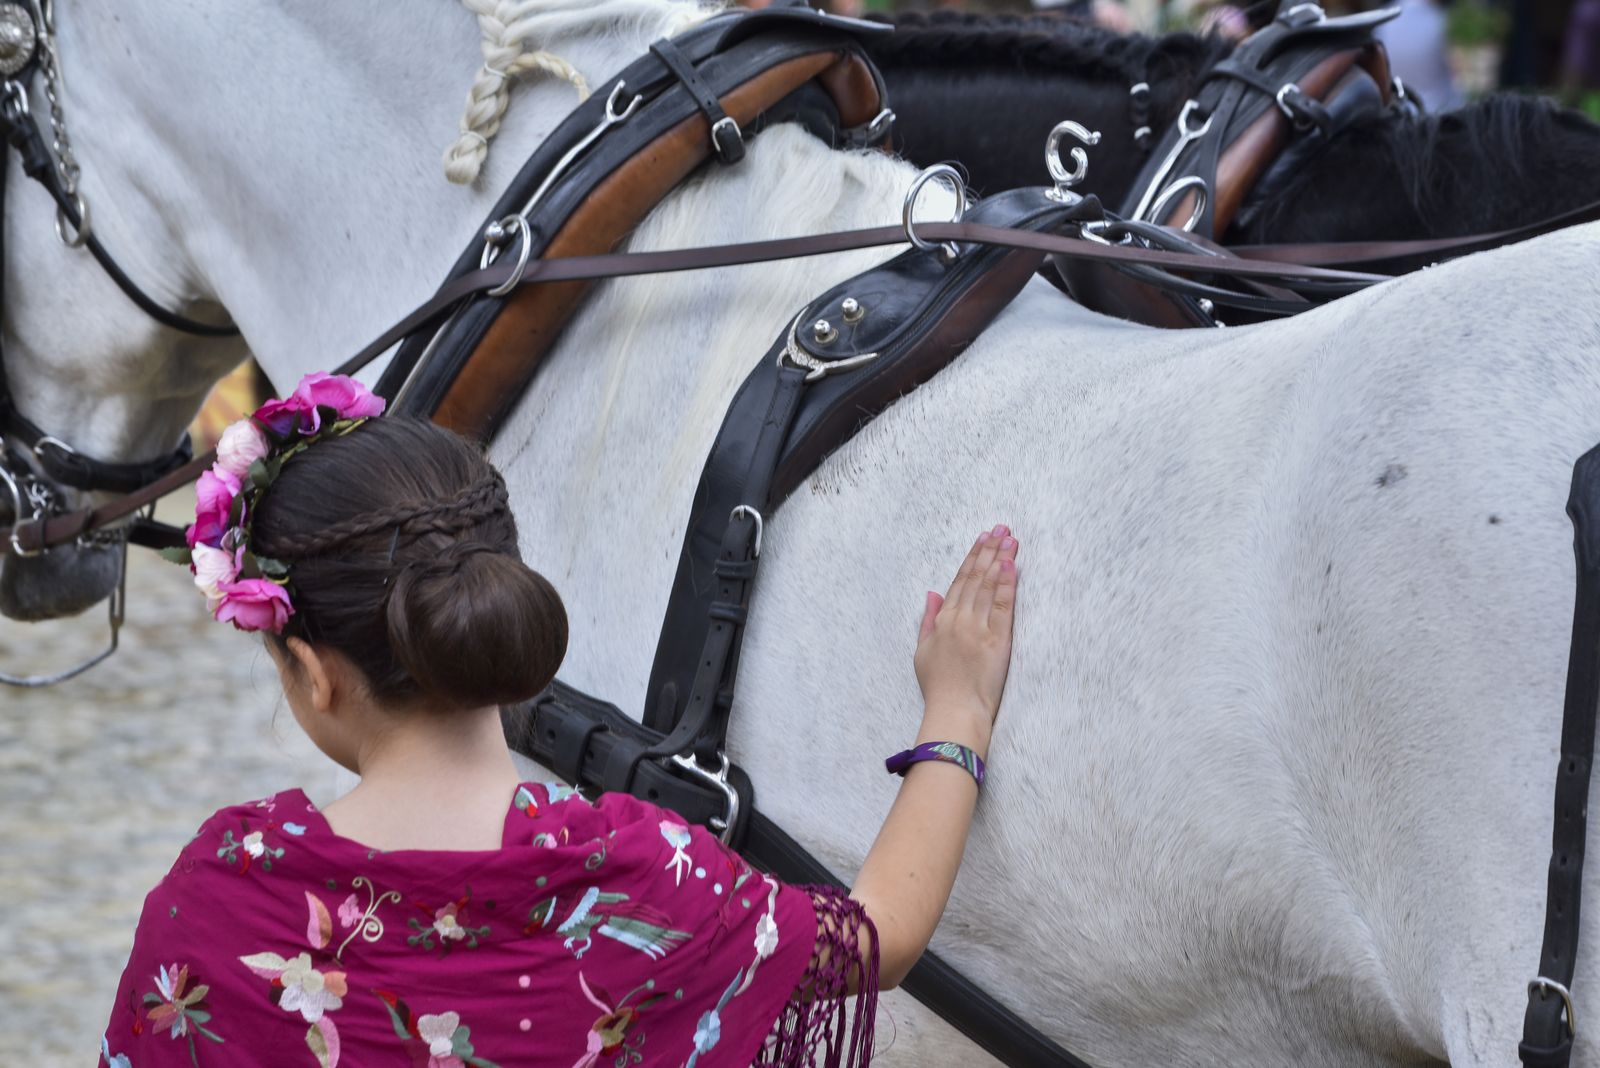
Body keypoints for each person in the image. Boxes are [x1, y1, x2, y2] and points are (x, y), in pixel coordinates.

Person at [100, 372, 1020, 1067]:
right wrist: (959, 709)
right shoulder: (651, 878)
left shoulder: (220, 904)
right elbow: (879, 935)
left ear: (309, 668)